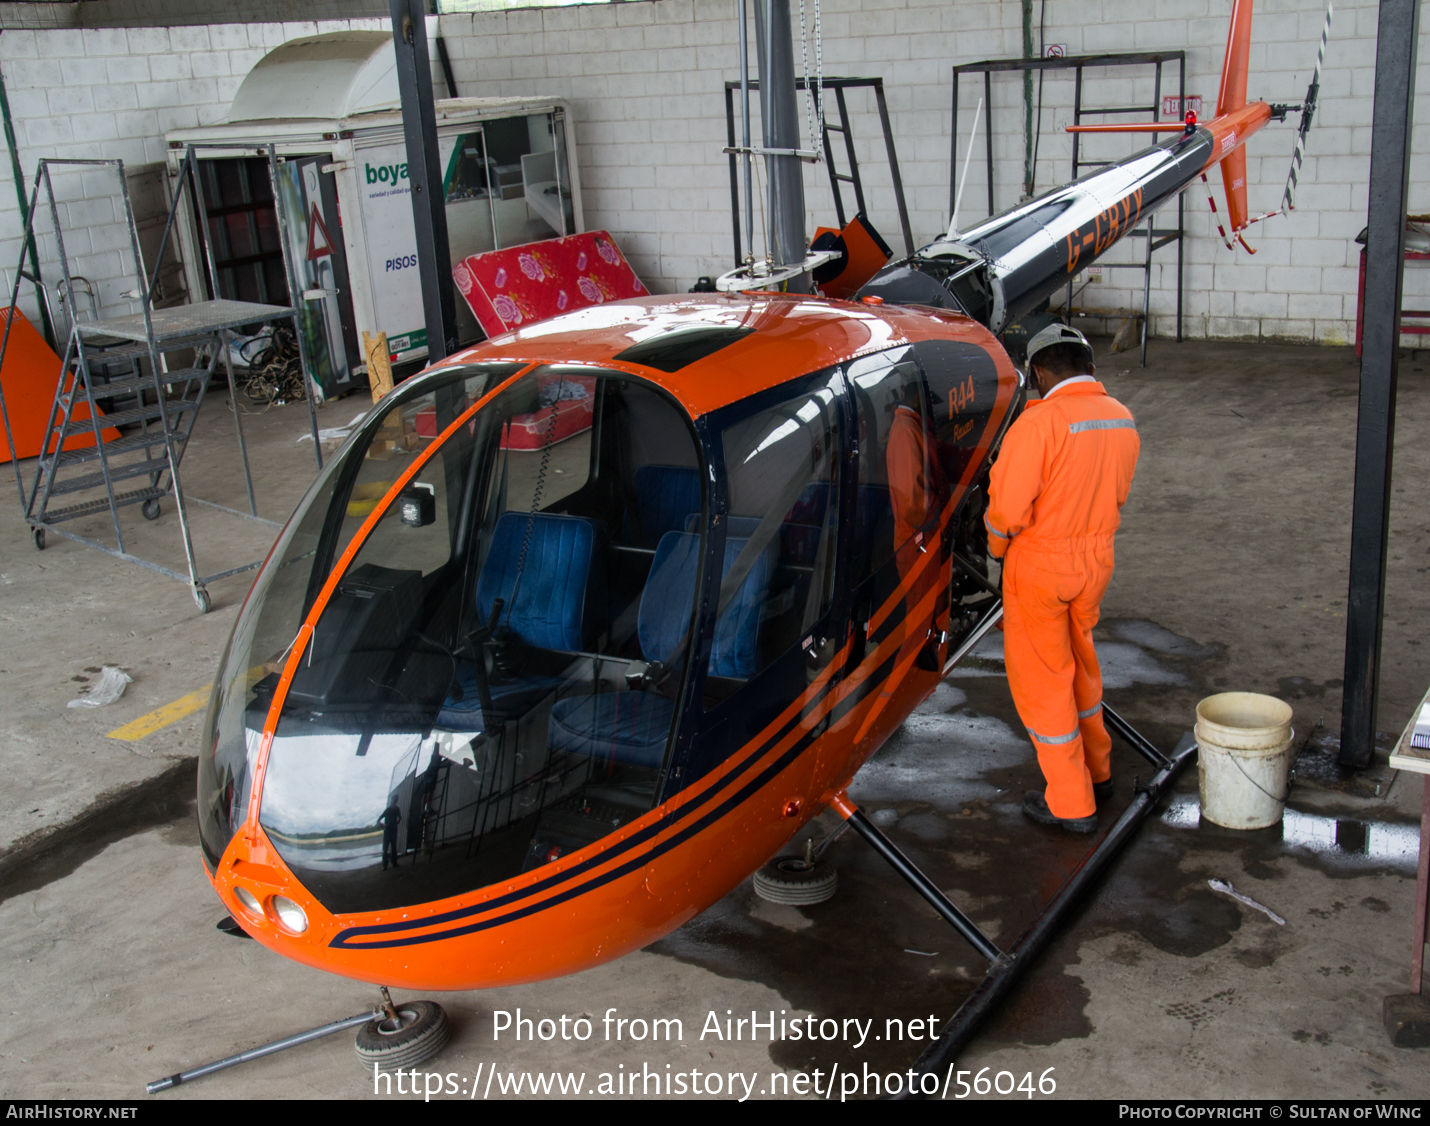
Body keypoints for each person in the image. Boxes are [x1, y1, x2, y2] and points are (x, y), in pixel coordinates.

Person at [984, 324, 1140, 833]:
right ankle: (1098, 772)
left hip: (1041, 567)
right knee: (1081, 666)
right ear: (1091, 368)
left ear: (1037, 372)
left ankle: (1071, 805)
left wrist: (997, 549)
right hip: (1096, 561)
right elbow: (1115, 494)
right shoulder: (1121, 418)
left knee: (1043, 683)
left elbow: (1006, 510)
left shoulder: (1038, 425)